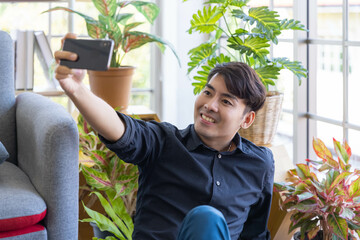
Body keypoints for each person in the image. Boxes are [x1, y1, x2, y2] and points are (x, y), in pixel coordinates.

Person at [55, 33, 275, 240]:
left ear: (247, 119)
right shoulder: (163, 142)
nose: (209, 105)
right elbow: (120, 129)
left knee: (207, 219)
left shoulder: (259, 163)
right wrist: (76, 89)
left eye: (226, 101)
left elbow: (254, 234)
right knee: (206, 217)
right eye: (207, 92)